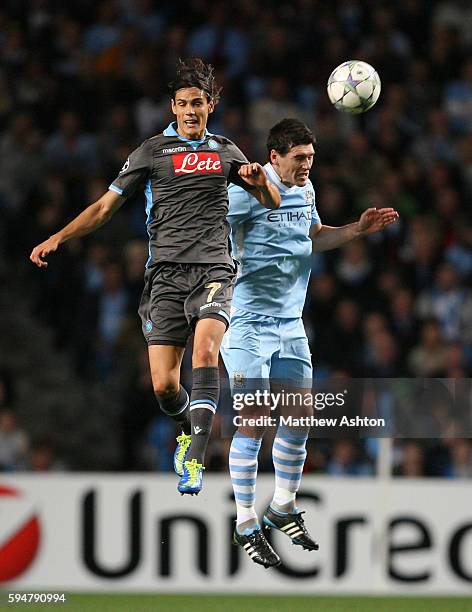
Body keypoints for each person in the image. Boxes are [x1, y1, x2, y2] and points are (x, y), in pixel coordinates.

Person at [30, 58, 281, 495]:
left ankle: (197, 457)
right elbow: (105, 208)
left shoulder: (226, 151)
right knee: (165, 386)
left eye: (198, 103)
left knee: (205, 351)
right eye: (183, 103)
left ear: (210, 106)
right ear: (172, 106)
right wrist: (59, 235)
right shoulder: (151, 151)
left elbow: (272, 199)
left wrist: (258, 179)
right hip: (164, 276)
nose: (190, 110)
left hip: (214, 269)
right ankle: (188, 428)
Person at [221, 118, 398, 567]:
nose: (306, 165)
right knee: (254, 419)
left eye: (311, 158)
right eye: (299, 158)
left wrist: (356, 230)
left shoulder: (307, 189)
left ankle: (282, 506)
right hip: (245, 324)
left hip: (290, 324)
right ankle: (245, 521)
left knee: (300, 417)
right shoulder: (245, 191)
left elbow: (314, 237)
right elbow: (211, 236)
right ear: (274, 156)